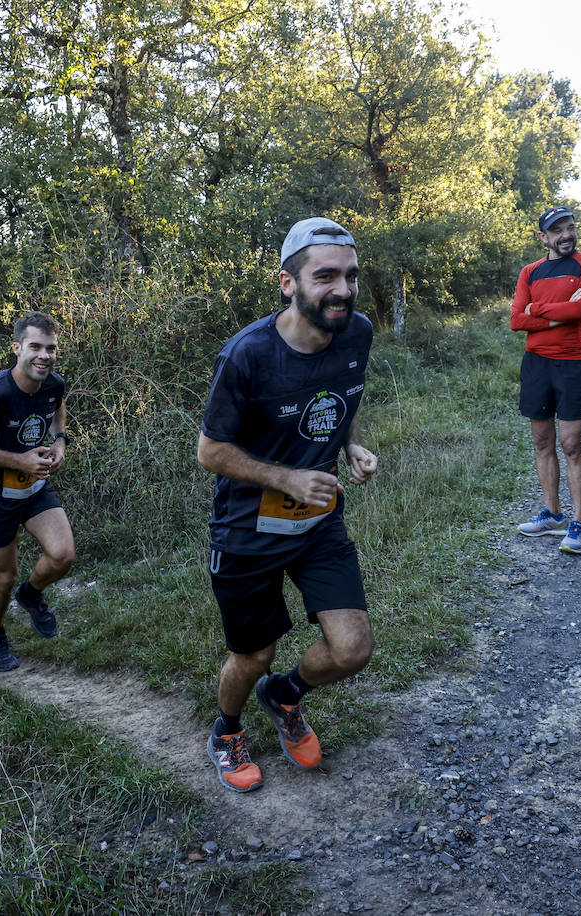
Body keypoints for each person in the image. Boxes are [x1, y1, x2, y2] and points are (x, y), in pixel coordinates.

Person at [198, 216, 379, 793]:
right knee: (252, 655)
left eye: (350, 277)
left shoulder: (357, 332)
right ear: (287, 283)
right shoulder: (247, 355)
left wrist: (350, 443)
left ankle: (285, 695)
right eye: (326, 276)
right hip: (247, 528)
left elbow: (341, 396)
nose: (343, 290)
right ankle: (226, 730)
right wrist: (288, 479)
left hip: (318, 522)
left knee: (352, 648)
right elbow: (210, 451)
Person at [0, 312, 74, 672]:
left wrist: (60, 443)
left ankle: (31, 594)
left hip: (35, 489)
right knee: (3, 577)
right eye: (35, 347)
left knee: (63, 555)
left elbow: (58, 409)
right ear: (17, 348)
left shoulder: (53, 383)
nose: (44, 356)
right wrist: (18, 461)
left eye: (51, 349)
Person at [510, 205, 581, 554]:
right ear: (543, 237)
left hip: (571, 364)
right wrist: (551, 315)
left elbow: (579, 311)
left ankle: (578, 522)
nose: (566, 235)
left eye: (570, 227)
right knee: (541, 442)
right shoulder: (530, 272)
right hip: (536, 363)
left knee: (571, 444)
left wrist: (538, 310)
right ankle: (553, 513)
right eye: (558, 230)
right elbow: (516, 320)